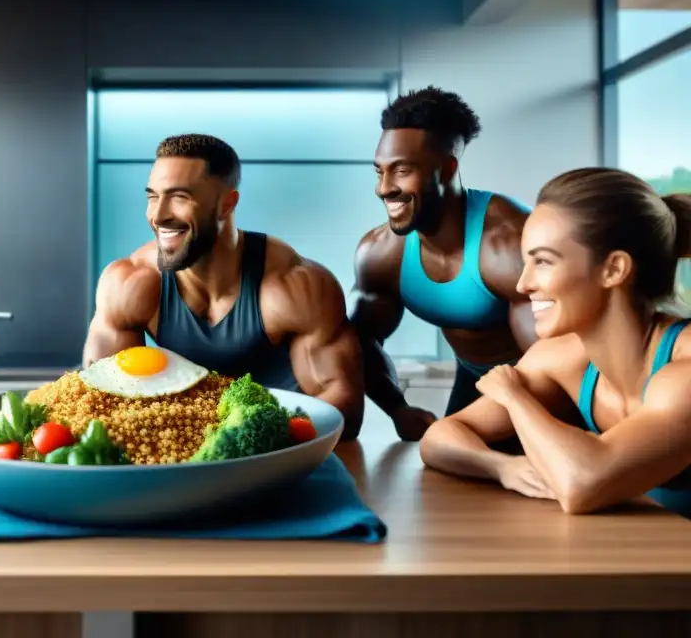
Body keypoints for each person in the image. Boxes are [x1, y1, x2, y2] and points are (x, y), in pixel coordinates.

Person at [419, 167, 691, 517]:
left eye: (543, 261)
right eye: (526, 261)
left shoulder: (682, 372)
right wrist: (501, 467)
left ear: (613, 269)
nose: (523, 284)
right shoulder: (561, 358)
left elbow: (581, 484)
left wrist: (515, 398)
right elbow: (439, 438)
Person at [82, 133, 371, 439]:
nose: (158, 215)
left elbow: (344, 409)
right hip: (184, 452)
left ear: (226, 205)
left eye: (179, 197)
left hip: (284, 451)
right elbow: (98, 397)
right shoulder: (130, 283)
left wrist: (243, 443)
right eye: (153, 196)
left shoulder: (293, 286)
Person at [353, 86, 537, 433]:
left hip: (542, 382)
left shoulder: (509, 243)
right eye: (380, 171)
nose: (384, 188)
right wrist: (397, 409)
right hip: (472, 377)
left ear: (447, 169)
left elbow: (558, 357)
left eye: (402, 170)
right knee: (444, 460)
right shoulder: (380, 253)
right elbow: (358, 341)